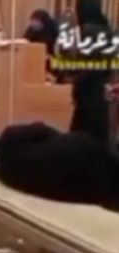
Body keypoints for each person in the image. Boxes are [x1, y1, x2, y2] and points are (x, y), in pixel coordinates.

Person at [70, 0, 112, 145]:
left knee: (82, 139)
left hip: (88, 92)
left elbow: (85, 67)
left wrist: (75, 88)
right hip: (103, 90)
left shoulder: (86, 31)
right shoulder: (107, 29)